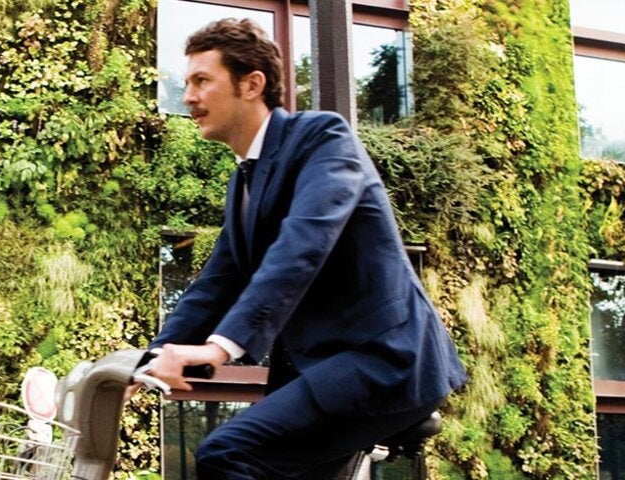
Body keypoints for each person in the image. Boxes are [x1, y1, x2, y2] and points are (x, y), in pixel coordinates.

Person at [142, 18, 468, 479]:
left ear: (251, 84)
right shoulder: (244, 181)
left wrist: (218, 349)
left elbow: (302, 246)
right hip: (324, 370)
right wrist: (147, 360)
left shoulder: (322, 139)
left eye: (202, 81)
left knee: (227, 454)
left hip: (384, 361)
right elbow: (217, 282)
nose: (189, 96)